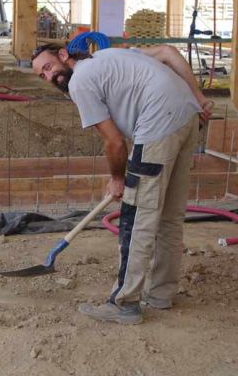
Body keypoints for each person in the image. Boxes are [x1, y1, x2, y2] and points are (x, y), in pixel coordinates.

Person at [32, 43, 213, 325]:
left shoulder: (80, 81)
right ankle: (160, 294)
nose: (49, 77)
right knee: (169, 216)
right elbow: (166, 53)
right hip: (186, 118)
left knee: (137, 215)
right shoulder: (107, 55)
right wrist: (198, 97)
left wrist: (118, 178)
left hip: (159, 124)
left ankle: (124, 303)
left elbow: (114, 142)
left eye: (48, 67)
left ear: (63, 56)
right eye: (42, 75)